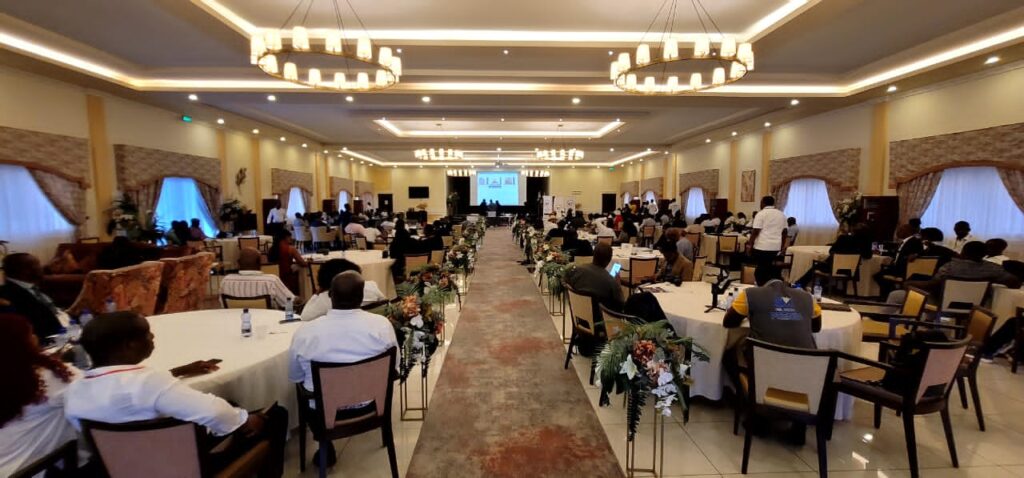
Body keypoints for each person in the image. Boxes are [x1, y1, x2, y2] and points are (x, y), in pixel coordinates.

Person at [66, 311, 288, 477]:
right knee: (274, 415)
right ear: (129, 345)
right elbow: (214, 412)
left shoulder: (75, 389)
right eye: (147, 334)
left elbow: (126, 389)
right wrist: (246, 419)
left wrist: (178, 371)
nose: (153, 337)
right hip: (179, 468)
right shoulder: (148, 382)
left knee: (229, 406)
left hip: (120, 468)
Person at [288, 271, 398, 465]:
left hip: (323, 414)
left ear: (330, 296)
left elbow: (295, 376)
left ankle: (325, 443)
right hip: (371, 404)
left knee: (303, 389)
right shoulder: (381, 326)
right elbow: (394, 366)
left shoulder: (305, 332)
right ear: (361, 297)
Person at [722, 264, 822, 445]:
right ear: (782, 278)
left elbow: (729, 322)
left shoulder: (751, 294)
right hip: (803, 368)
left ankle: (755, 411)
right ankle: (798, 424)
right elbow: (815, 327)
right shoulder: (807, 297)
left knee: (729, 354)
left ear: (758, 280)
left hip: (767, 364)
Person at [0, 314, 80, 476]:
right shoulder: (44, 379)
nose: (35, 338)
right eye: (30, 335)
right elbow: (93, 388)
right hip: (30, 470)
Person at [888, 241, 1021, 304]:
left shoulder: (950, 267)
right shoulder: (993, 269)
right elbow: (1015, 282)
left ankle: (885, 325)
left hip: (941, 302)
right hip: (975, 306)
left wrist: (909, 283)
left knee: (896, 295)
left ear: (963, 252)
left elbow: (932, 285)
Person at [564, 244, 624, 354]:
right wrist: (618, 285)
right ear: (609, 260)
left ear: (593, 255)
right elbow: (620, 305)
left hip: (579, 318)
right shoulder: (610, 282)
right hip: (599, 324)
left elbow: (566, 282)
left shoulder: (577, 270)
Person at [0, 253, 66, 340]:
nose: (41, 267)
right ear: (25, 271)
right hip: (50, 340)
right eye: (37, 264)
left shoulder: (32, 286)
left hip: (65, 326)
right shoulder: (8, 296)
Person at [300, 259, 387, 321]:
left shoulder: (326, 299)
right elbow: (385, 303)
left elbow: (305, 317)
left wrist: (317, 293)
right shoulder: (371, 286)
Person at [793, 223, 873, 287]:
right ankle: (822, 285)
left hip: (834, 267)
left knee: (817, 265)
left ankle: (800, 284)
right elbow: (868, 256)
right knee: (823, 265)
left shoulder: (843, 238)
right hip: (850, 271)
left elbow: (831, 251)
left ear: (853, 231)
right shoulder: (866, 243)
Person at [219, 248, 295, 309]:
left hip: (236, 322)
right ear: (259, 263)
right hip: (268, 322)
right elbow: (290, 301)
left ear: (238, 263)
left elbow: (223, 306)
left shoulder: (226, 281)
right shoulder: (271, 281)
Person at [747, 196, 788, 269]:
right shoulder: (781, 214)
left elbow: (756, 231)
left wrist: (750, 245)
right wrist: (782, 246)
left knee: (761, 268)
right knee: (772, 268)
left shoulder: (761, 214)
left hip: (762, 247)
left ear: (763, 203)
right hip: (776, 247)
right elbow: (785, 232)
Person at [267, 230, 307, 294]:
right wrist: (309, 262)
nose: (291, 238)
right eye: (290, 237)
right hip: (287, 277)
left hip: (275, 277)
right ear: (285, 238)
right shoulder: (291, 249)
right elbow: (303, 263)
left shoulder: (271, 249)